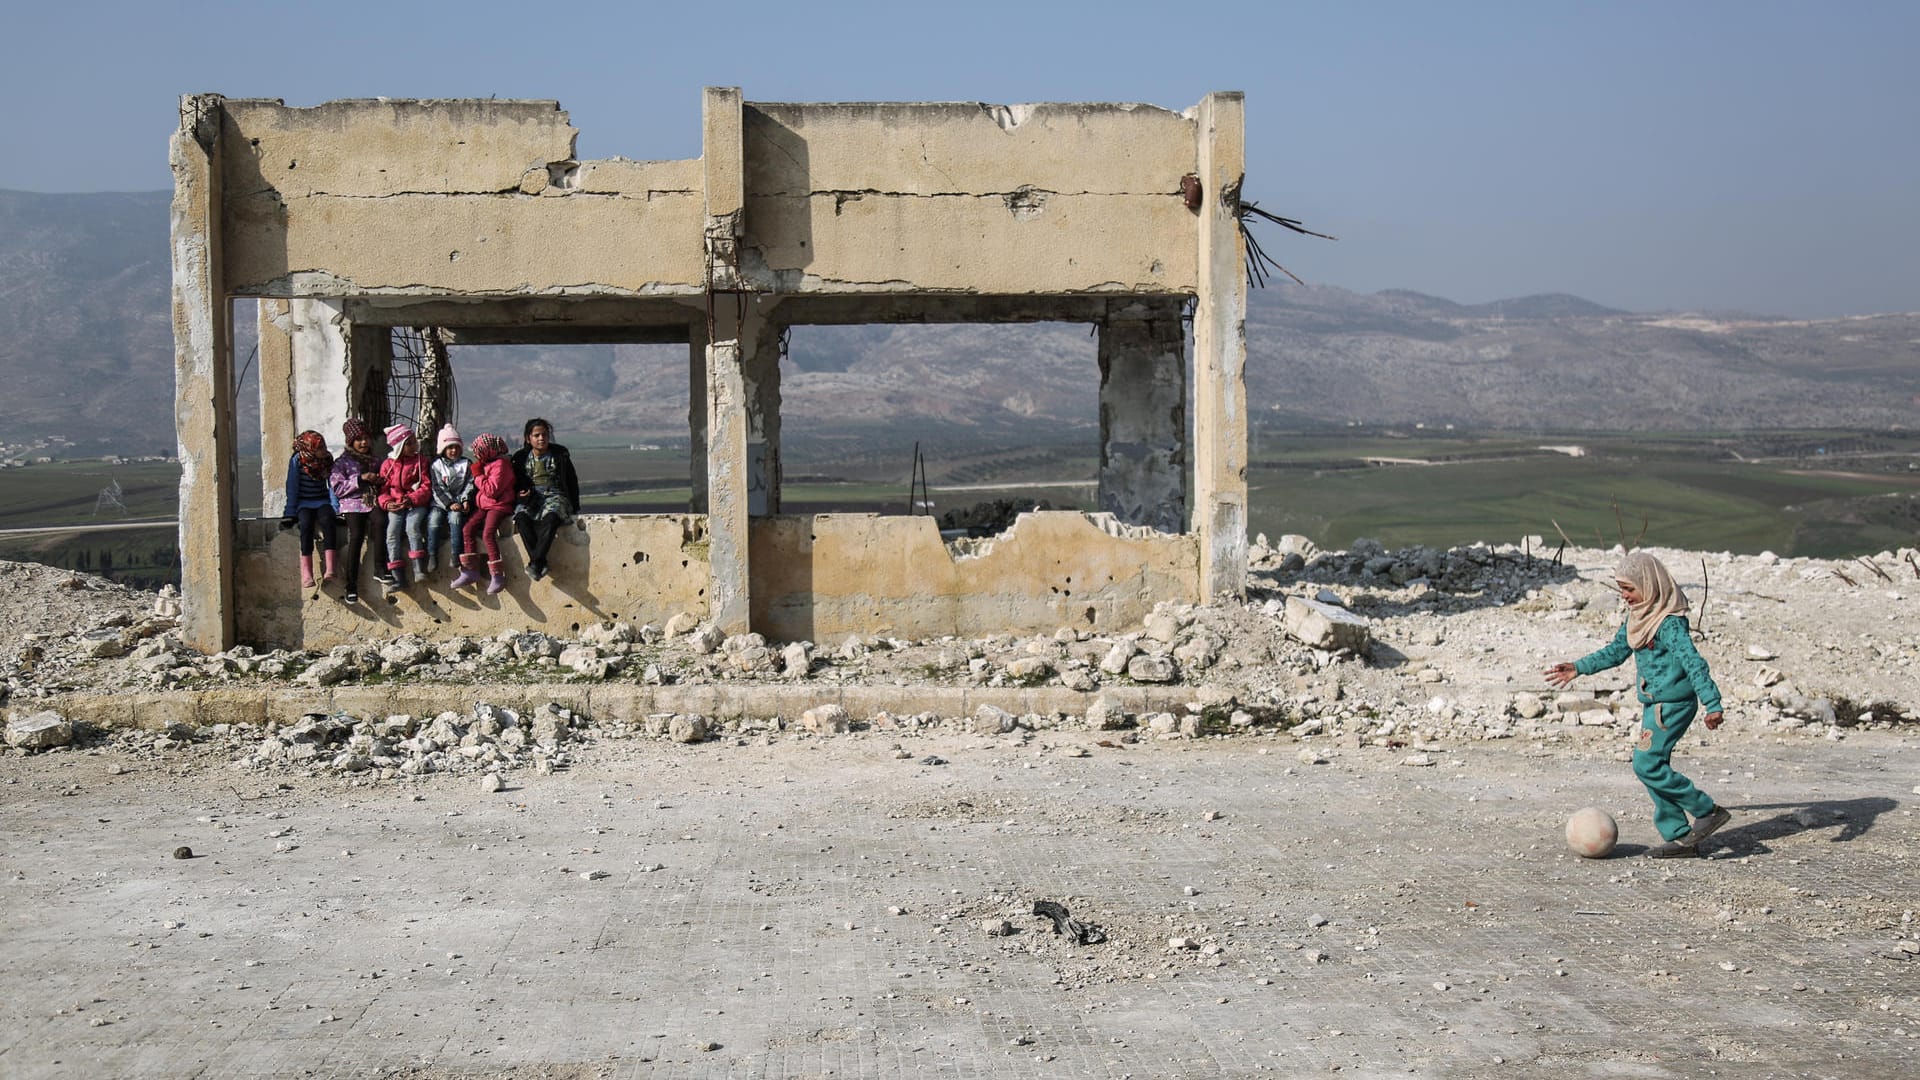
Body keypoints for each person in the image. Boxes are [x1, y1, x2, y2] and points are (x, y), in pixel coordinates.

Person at [1545, 551, 1732, 858]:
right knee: (1651, 767)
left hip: (1672, 705)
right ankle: (1681, 837)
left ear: (1650, 585)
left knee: (1647, 764)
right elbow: (1616, 652)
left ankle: (1706, 810)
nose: (1625, 596)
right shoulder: (1638, 619)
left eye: (1630, 589)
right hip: (1654, 705)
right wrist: (1578, 667)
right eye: (1622, 589)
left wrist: (1713, 704)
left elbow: (1694, 663)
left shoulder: (1669, 624)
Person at [510, 417, 580, 581]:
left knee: (552, 517)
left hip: (555, 495)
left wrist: (575, 505)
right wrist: (519, 496)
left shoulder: (560, 454)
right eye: (537, 435)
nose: (541, 438)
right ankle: (539, 561)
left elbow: (571, 480)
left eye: (544, 435)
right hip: (532, 498)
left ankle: (535, 563)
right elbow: (515, 483)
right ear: (528, 438)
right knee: (521, 518)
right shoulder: (520, 458)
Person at [328, 419, 386, 604]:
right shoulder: (342, 462)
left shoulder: (376, 461)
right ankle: (351, 585)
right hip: (352, 504)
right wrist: (360, 479)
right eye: (359, 439)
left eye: (366, 438)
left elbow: (385, 480)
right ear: (350, 441)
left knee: (380, 522)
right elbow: (337, 487)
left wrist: (378, 480)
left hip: (372, 501)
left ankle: (380, 568)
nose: (363, 443)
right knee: (356, 536)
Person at [452, 433, 516, 595]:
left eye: (478, 451)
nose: (475, 455)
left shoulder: (501, 465)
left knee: (488, 534)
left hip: (498, 506)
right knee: (468, 529)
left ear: (488, 451)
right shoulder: (489, 463)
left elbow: (492, 490)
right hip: (486, 505)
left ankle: (497, 574)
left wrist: (478, 476)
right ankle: (469, 570)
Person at [278, 430, 338, 591]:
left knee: (327, 520)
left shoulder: (326, 460)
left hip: (322, 501)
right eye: (319, 448)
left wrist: (335, 508)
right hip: (304, 503)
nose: (323, 450)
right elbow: (292, 487)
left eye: (324, 446)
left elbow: (332, 485)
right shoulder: (298, 461)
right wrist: (290, 513)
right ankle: (307, 573)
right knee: (305, 525)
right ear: (310, 449)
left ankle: (331, 567)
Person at [377, 424, 433, 593]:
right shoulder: (388, 465)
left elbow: (426, 486)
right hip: (396, 505)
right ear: (399, 446)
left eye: (414, 442)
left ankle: (418, 569)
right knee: (392, 533)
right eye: (409, 443)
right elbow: (382, 490)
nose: (414, 446)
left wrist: (412, 499)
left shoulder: (420, 461)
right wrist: (387, 503)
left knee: (412, 527)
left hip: (416, 504)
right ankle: (398, 577)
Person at [426, 424, 474, 576]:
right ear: (443, 449)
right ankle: (432, 554)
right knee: (434, 521)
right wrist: (449, 503)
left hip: (458, 502)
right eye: (449, 447)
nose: (453, 451)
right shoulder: (436, 465)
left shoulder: (466, 464)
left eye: (456, 447)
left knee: (456, 519)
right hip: (440, 503)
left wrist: (465, 500)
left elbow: (470, 484)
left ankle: (455, 554)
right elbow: (437, 488)